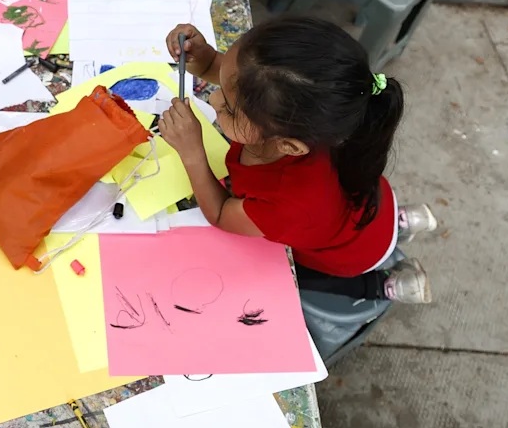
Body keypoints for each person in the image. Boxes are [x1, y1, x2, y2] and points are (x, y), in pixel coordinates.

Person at [157, 16, 437, 304]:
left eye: (228, 108)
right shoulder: (310, 118)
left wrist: (191, 153)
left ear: (289, 146)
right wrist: (204, 60)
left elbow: (220, 214)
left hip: (350, 253)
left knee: (290, 274)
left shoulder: (289, 205)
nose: (214, 99)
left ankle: (383, 286)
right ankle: (401, 222)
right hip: (368, 206)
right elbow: (237, 81)